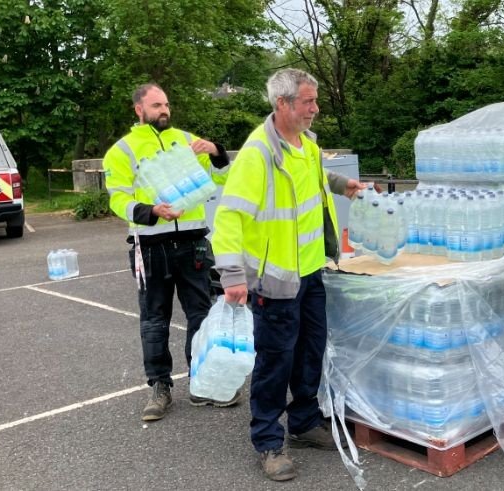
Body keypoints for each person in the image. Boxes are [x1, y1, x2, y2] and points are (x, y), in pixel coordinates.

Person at [212, 68, 367, 482]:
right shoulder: (258, 153)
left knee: (309, 351)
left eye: (315, 101)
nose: (315, 109)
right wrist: (231, 275)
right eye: (308, 102)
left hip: (312, 270)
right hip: (276, 279)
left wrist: (341, 184)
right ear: (282, 104)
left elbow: (313, 179)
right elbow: (228, 216)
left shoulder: (306, 145)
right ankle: (267, 440)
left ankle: (302, 423)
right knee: (275, 361)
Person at [103, 83, 239, 422]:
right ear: (139, 110)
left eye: (166, 104)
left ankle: (201, 381)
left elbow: (224, 180)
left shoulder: (187, 139)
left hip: (192, 242)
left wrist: (218, 153)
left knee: (201, 315)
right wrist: (151, 211)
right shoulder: (123, 151)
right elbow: (117, 199)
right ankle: (159, 387)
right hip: (150, 246)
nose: (164, 110)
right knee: (154, 320)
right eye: (156, 105)